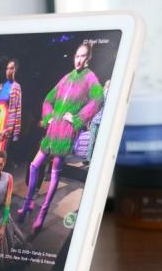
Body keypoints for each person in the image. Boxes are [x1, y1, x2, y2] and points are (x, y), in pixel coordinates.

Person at [18, 42, 104, 232]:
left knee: (55, 172)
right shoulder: (67, 77)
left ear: (88, 59)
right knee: (34, 166)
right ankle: (28, 203)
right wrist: (48, 117)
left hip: (65, 132)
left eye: (83, 56)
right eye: (77, 56)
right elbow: (48, 99)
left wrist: (77, 118)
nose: (79, 60)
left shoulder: (90, 77)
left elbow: (98, 99)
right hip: (52, 131)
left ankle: (42, 213)